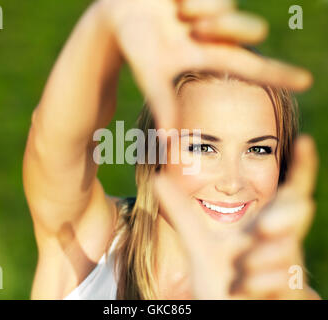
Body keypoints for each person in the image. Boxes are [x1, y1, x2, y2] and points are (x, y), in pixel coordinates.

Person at [22, 0, 319, 299]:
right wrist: (105, 25)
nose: (232, 183)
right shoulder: (92, 244)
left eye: (259, 150)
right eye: (203, 147)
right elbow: (54, 146)